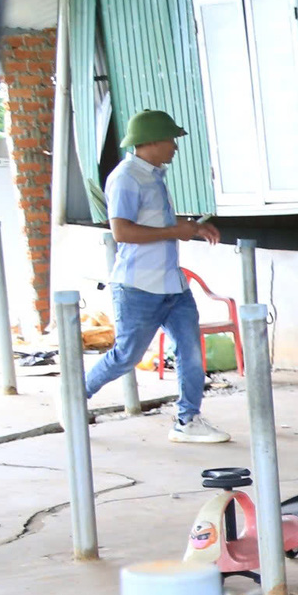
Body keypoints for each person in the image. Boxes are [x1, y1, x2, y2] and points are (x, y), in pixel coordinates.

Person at [82, 108, 230, 443]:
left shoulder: (154, 174)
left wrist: (189, 227)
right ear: (149, 141)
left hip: (173, 286)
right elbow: (122, 232)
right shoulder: (125, 177)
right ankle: (75, 397)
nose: (175, 146)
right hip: (138, 287)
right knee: (126, 356)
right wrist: (173, 230)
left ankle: (187, 420)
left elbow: (160, 225)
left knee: (191, 351)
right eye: (170, 139)